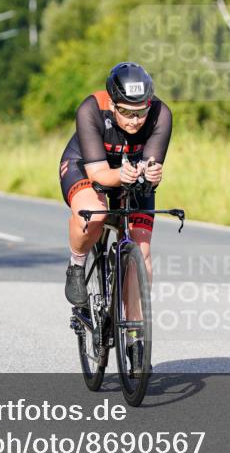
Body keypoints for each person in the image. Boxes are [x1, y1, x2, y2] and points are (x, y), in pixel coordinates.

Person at [59, 62, 172, 362]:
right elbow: (98, 174)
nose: (135, 120)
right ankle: (77, 265)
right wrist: (122, 175)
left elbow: (150, 165)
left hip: (130, 175)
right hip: (86, 167)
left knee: (142, 254)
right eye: (126, 112)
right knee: (94, 214)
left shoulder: (161, 114)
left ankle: (135, 336)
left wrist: (153, 173)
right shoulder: (91, 110)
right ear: (112, 103)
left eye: (141, 111)